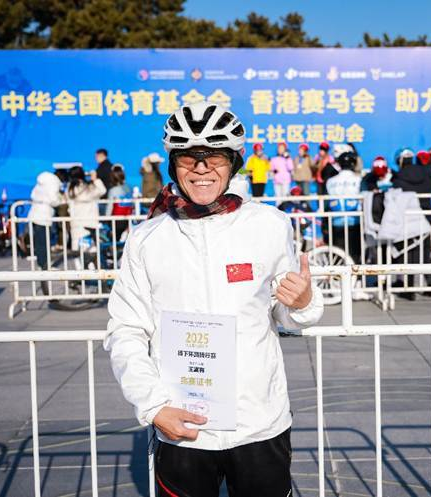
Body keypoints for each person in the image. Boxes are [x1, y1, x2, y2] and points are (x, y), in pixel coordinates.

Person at [104, 102, 323, 497]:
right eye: (189, 158)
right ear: (173, 165)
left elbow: (285, 314)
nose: (201, 169)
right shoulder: (147, 239)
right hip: (182, 426)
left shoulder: (269, 225)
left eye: (214, 157)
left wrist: (302, 302)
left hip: (258, 423)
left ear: (234, 162)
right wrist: (153, 407)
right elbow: (126, 330)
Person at [391, 147, 431, 299]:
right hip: (425, 218)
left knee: (408, 253)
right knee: (425, 253)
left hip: (408, 220)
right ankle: (430, 284)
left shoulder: (398, 179)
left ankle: (409, 289)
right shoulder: (426, 173)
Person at [325, 151, 363, 262]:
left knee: (339, 254)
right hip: (354, 221)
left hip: (336, 221)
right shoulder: (359, 180)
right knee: (354, 254)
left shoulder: (330, 181)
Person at [27, 170, 64, 273]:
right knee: (44, 241)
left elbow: (32, 194)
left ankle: (42, 264)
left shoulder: (42, 181)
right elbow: (53, 200)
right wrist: (61, 201)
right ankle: (44, 266)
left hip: (34, 212)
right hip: (44, 214)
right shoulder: (54, 182)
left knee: (40, 242)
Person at [64, 165, 106, 251]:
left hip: (76, 224)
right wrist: (95, 179)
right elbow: (102, 190)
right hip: (91, 223)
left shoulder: (70, 190)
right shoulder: (90, 188)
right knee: (91, 250)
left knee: (77, 250)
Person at [106, 164, 133, 241]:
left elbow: (109, 208)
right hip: (128, 219)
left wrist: (106, 219)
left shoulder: (113, 190)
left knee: (114, 240)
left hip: (116, 220)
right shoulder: (129, 188)